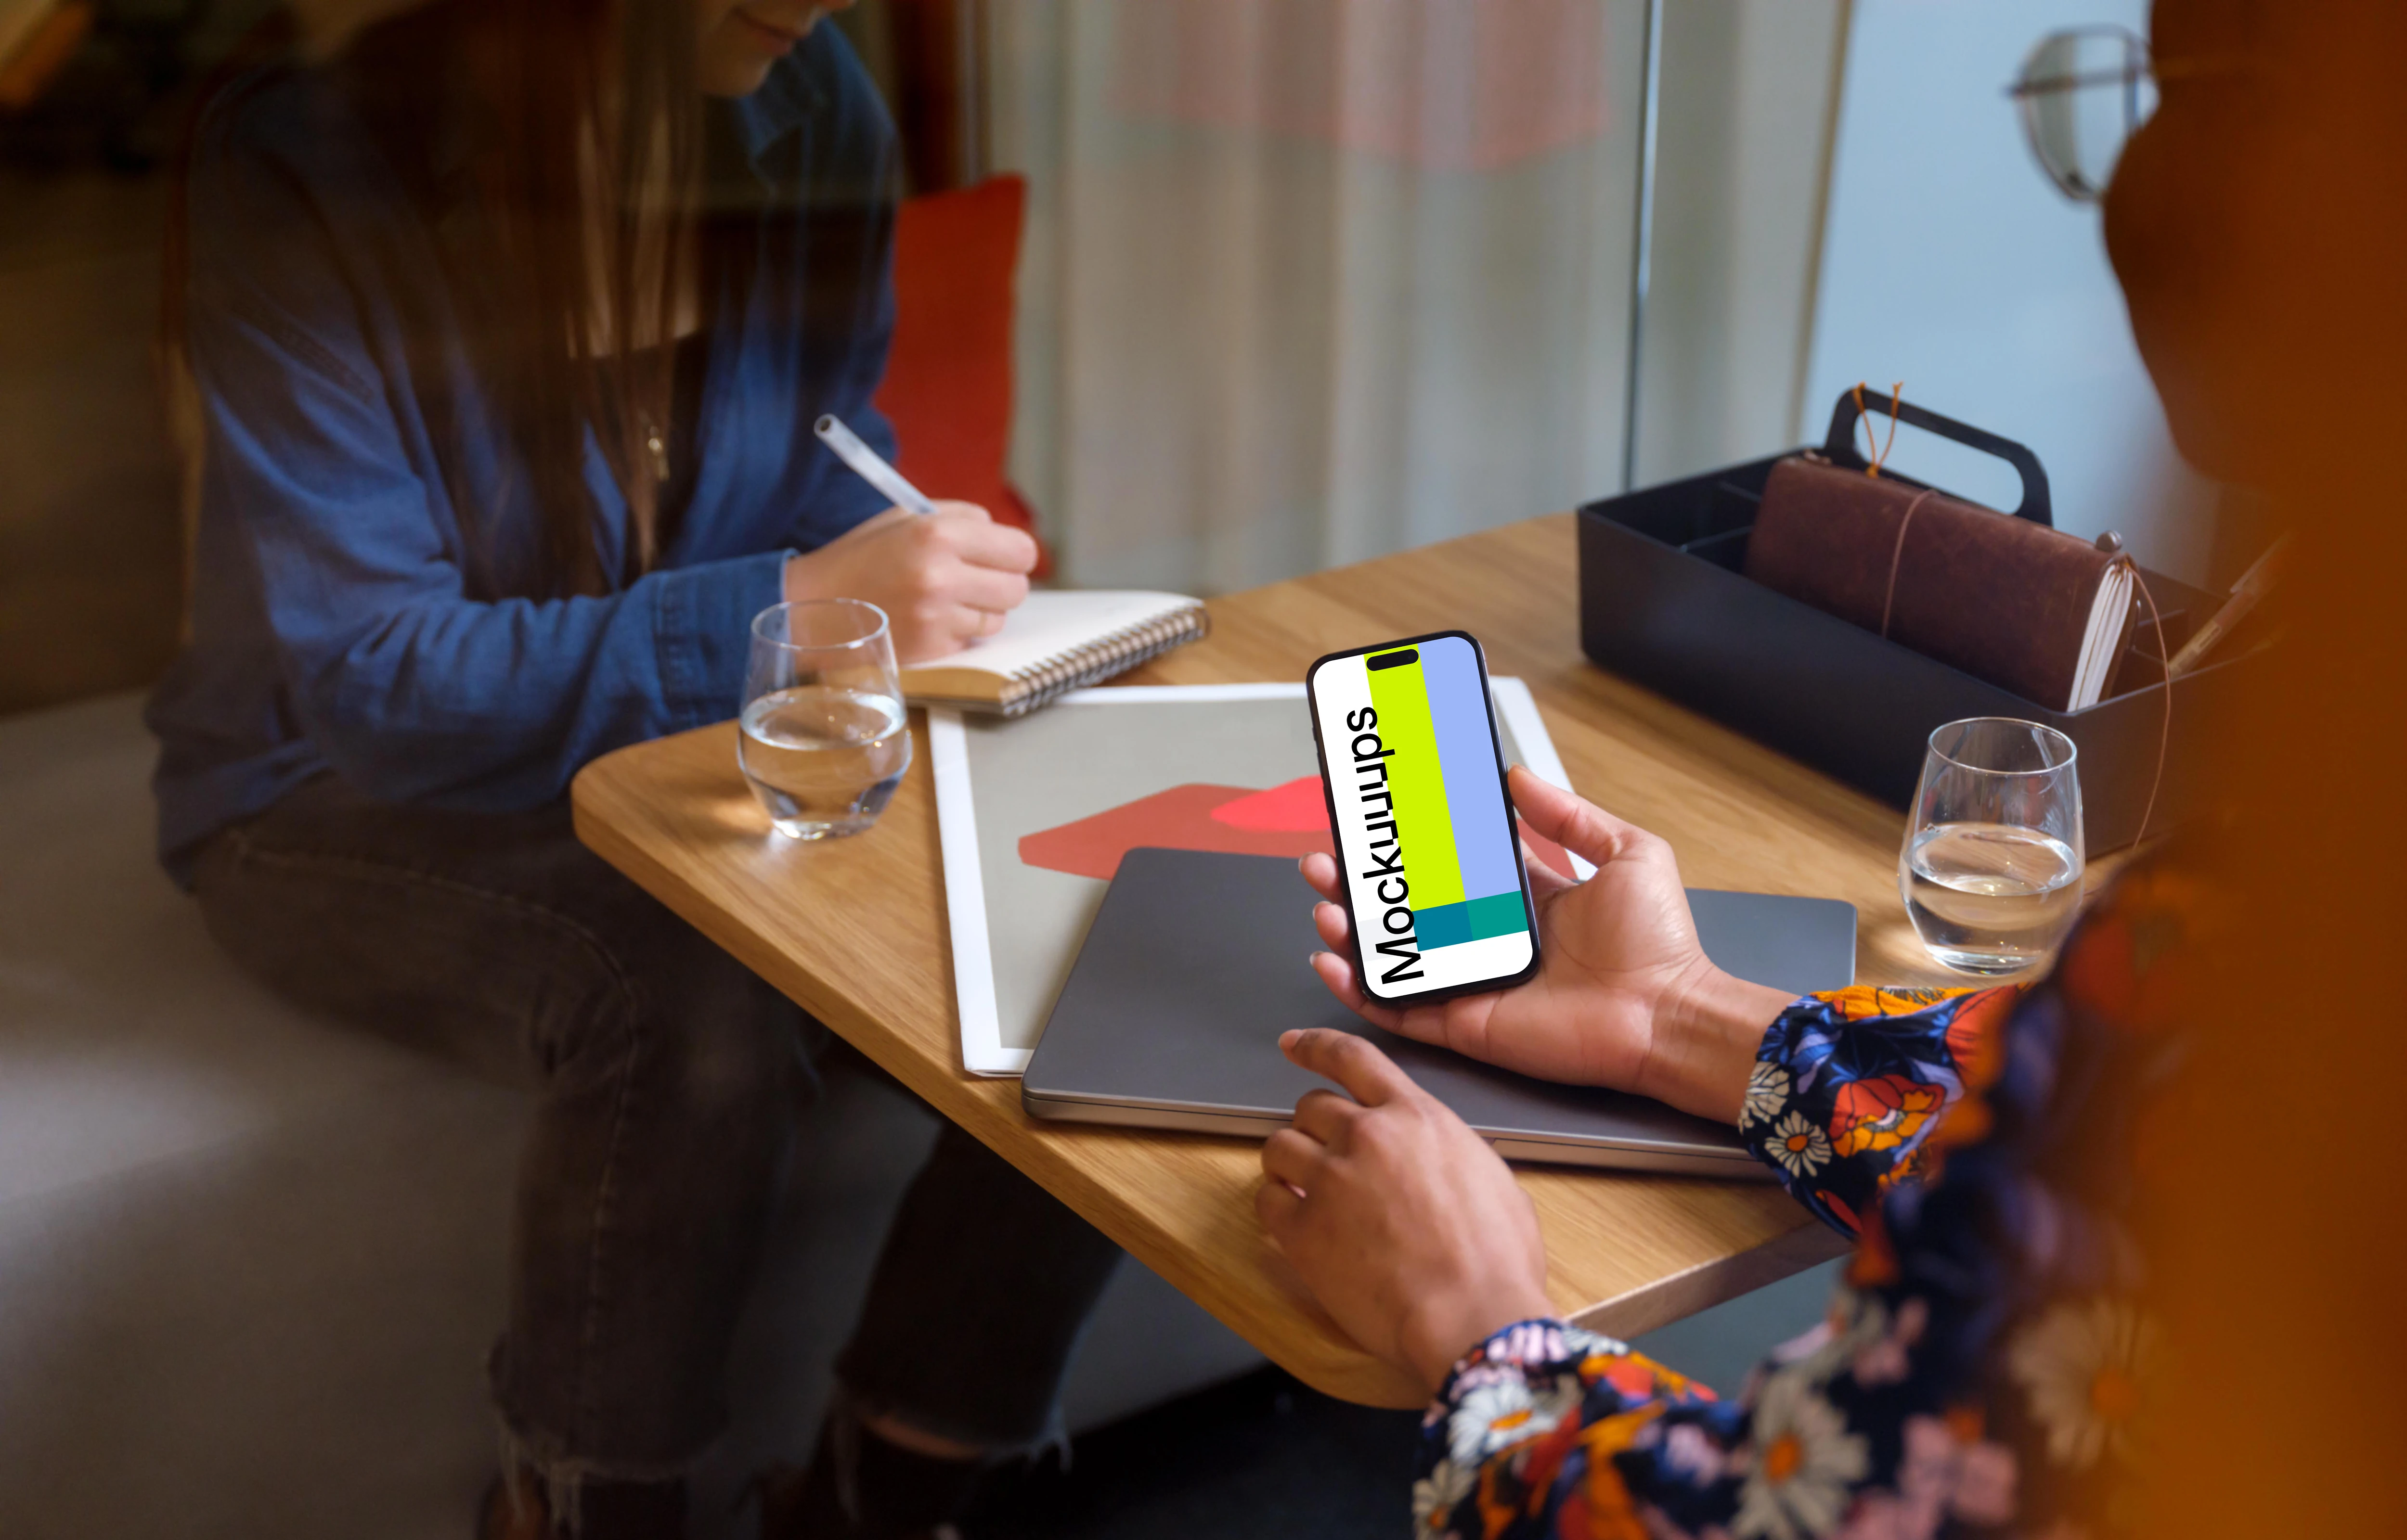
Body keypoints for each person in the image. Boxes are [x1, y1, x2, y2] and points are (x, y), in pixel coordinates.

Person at [1256, 0, 2407, 1535]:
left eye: (2153, 89)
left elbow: (1818, 1511)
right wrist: (1679, 1017)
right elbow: (2129, 1174)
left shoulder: (2294, 938)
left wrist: (1481, 1327)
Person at [146, 2, 1122, 1536]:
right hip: (323, 790)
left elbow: (814, 461)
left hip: (680, 749)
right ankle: (581, 1509)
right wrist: (792, 612)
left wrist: (886, 596)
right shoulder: (305, 165)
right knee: (687, 981)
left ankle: (898, 1485)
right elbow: (374, 680)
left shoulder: (818, 116)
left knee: (1095, 908)